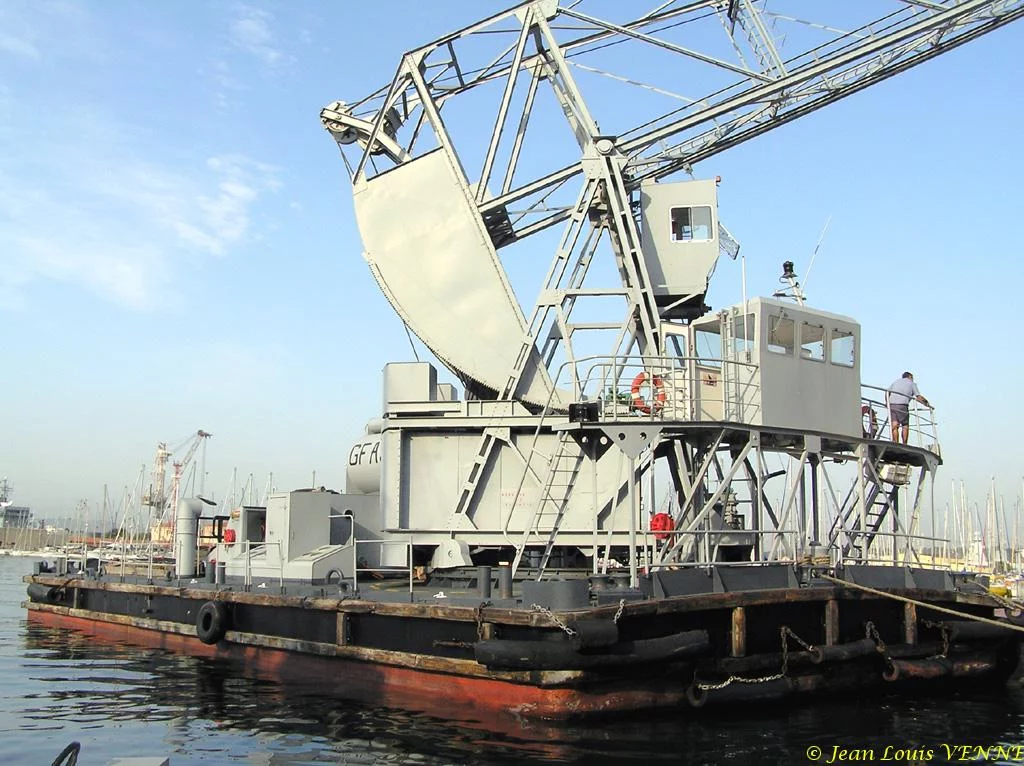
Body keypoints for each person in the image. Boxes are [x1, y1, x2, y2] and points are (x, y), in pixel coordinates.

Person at [886, 371, 931, 444]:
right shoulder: (912, 383)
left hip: (892, 404)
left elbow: (887, 392)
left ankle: (895, 442)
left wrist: (887, 403)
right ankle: (904, 443)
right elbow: (918, 397)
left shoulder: (896, 382)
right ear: (910, 377)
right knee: (905, 424)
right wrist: (927, 403)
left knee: (894, 423)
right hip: (903, 405)